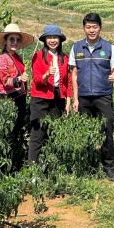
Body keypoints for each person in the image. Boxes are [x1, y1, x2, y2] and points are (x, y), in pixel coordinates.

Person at [69, 13, 114, 182]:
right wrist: (75, 99)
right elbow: (74, 75)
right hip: (84, 97)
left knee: (107, 130)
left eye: (95, 26)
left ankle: (108, 167)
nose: (92, 30)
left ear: (100, 28)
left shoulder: (109, 47)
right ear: (84, 28)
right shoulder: (76, 48)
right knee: (86, 132)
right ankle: (89, 164)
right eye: (88, 27)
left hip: (103, 95)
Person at [0, 23, 34, 171]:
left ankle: (10, 165)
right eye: (12, 40)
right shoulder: (0, 59)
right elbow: (5, 80)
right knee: (6, 136)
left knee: (14, 134)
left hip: (19, 99)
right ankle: (3, 169)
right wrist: (19, 80)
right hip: (7, 101)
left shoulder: (18, 57)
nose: (15, 42)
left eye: (17, 40)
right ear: (5, 41)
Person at [29, 25, 72, 163]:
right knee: (37, 134)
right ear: (45, 40)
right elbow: (36, 80)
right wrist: (47, 75)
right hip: (40, 98)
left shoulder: (64, 57)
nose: (52, 40)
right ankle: (33, 168)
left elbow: (68, 81)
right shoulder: (38, 56)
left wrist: (68, 101)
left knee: (53, 132)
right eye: (49, 37)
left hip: (58, 98)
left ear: (60, 40)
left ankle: (48, 166)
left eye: (55, 37)